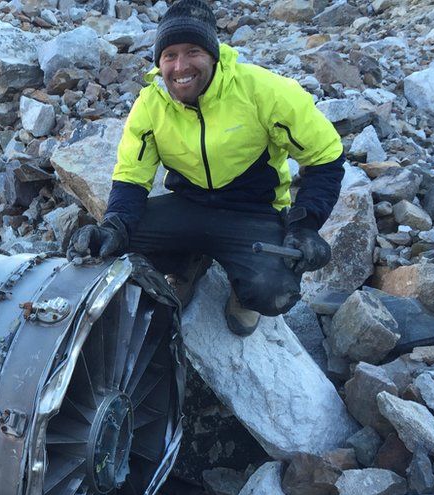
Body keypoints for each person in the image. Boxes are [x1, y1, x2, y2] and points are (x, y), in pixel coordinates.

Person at [68, 0, 345, 336]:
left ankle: (244, 292)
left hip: (253, 213)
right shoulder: (151, 104)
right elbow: (131, 178)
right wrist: (112, 226)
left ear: (213, 54)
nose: (180, 66)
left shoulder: (264, 91)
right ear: (159, 62)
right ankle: (188, 262)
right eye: (169, 55)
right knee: (111, 249)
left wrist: (306, 225)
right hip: (188, 206)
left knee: (274, 291)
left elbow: (325, 157)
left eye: (193, 51)